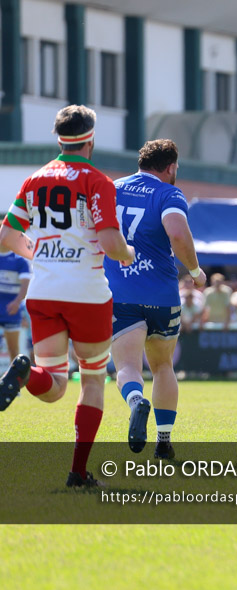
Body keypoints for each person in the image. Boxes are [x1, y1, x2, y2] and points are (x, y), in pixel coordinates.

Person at [0, 104, 135, 487]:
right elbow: (111, 244)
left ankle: (26, 372)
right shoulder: (98, 181)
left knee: (53, 385)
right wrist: (128, 254)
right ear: (90, 140)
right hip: (87, 294)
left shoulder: (34, 179)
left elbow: (6, 237)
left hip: (44, 292)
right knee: (91, 380)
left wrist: (37, 253)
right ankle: (78, 472)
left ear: (59, 140)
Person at [105, 138, 205, 458]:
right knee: (163, 367)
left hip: (121, 293)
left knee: (127, 366)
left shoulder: (112, 189)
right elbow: (177, 233)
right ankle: (163, 441)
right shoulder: (168, 193)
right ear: (171, 167)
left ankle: (136, 401)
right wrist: (195, 270)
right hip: (161, 295)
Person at [0, 249, 30, 361]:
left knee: (13, 350)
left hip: (11, 312)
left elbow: (25, 285)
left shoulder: (20, 260)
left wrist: (17, 302)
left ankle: (15, 372)